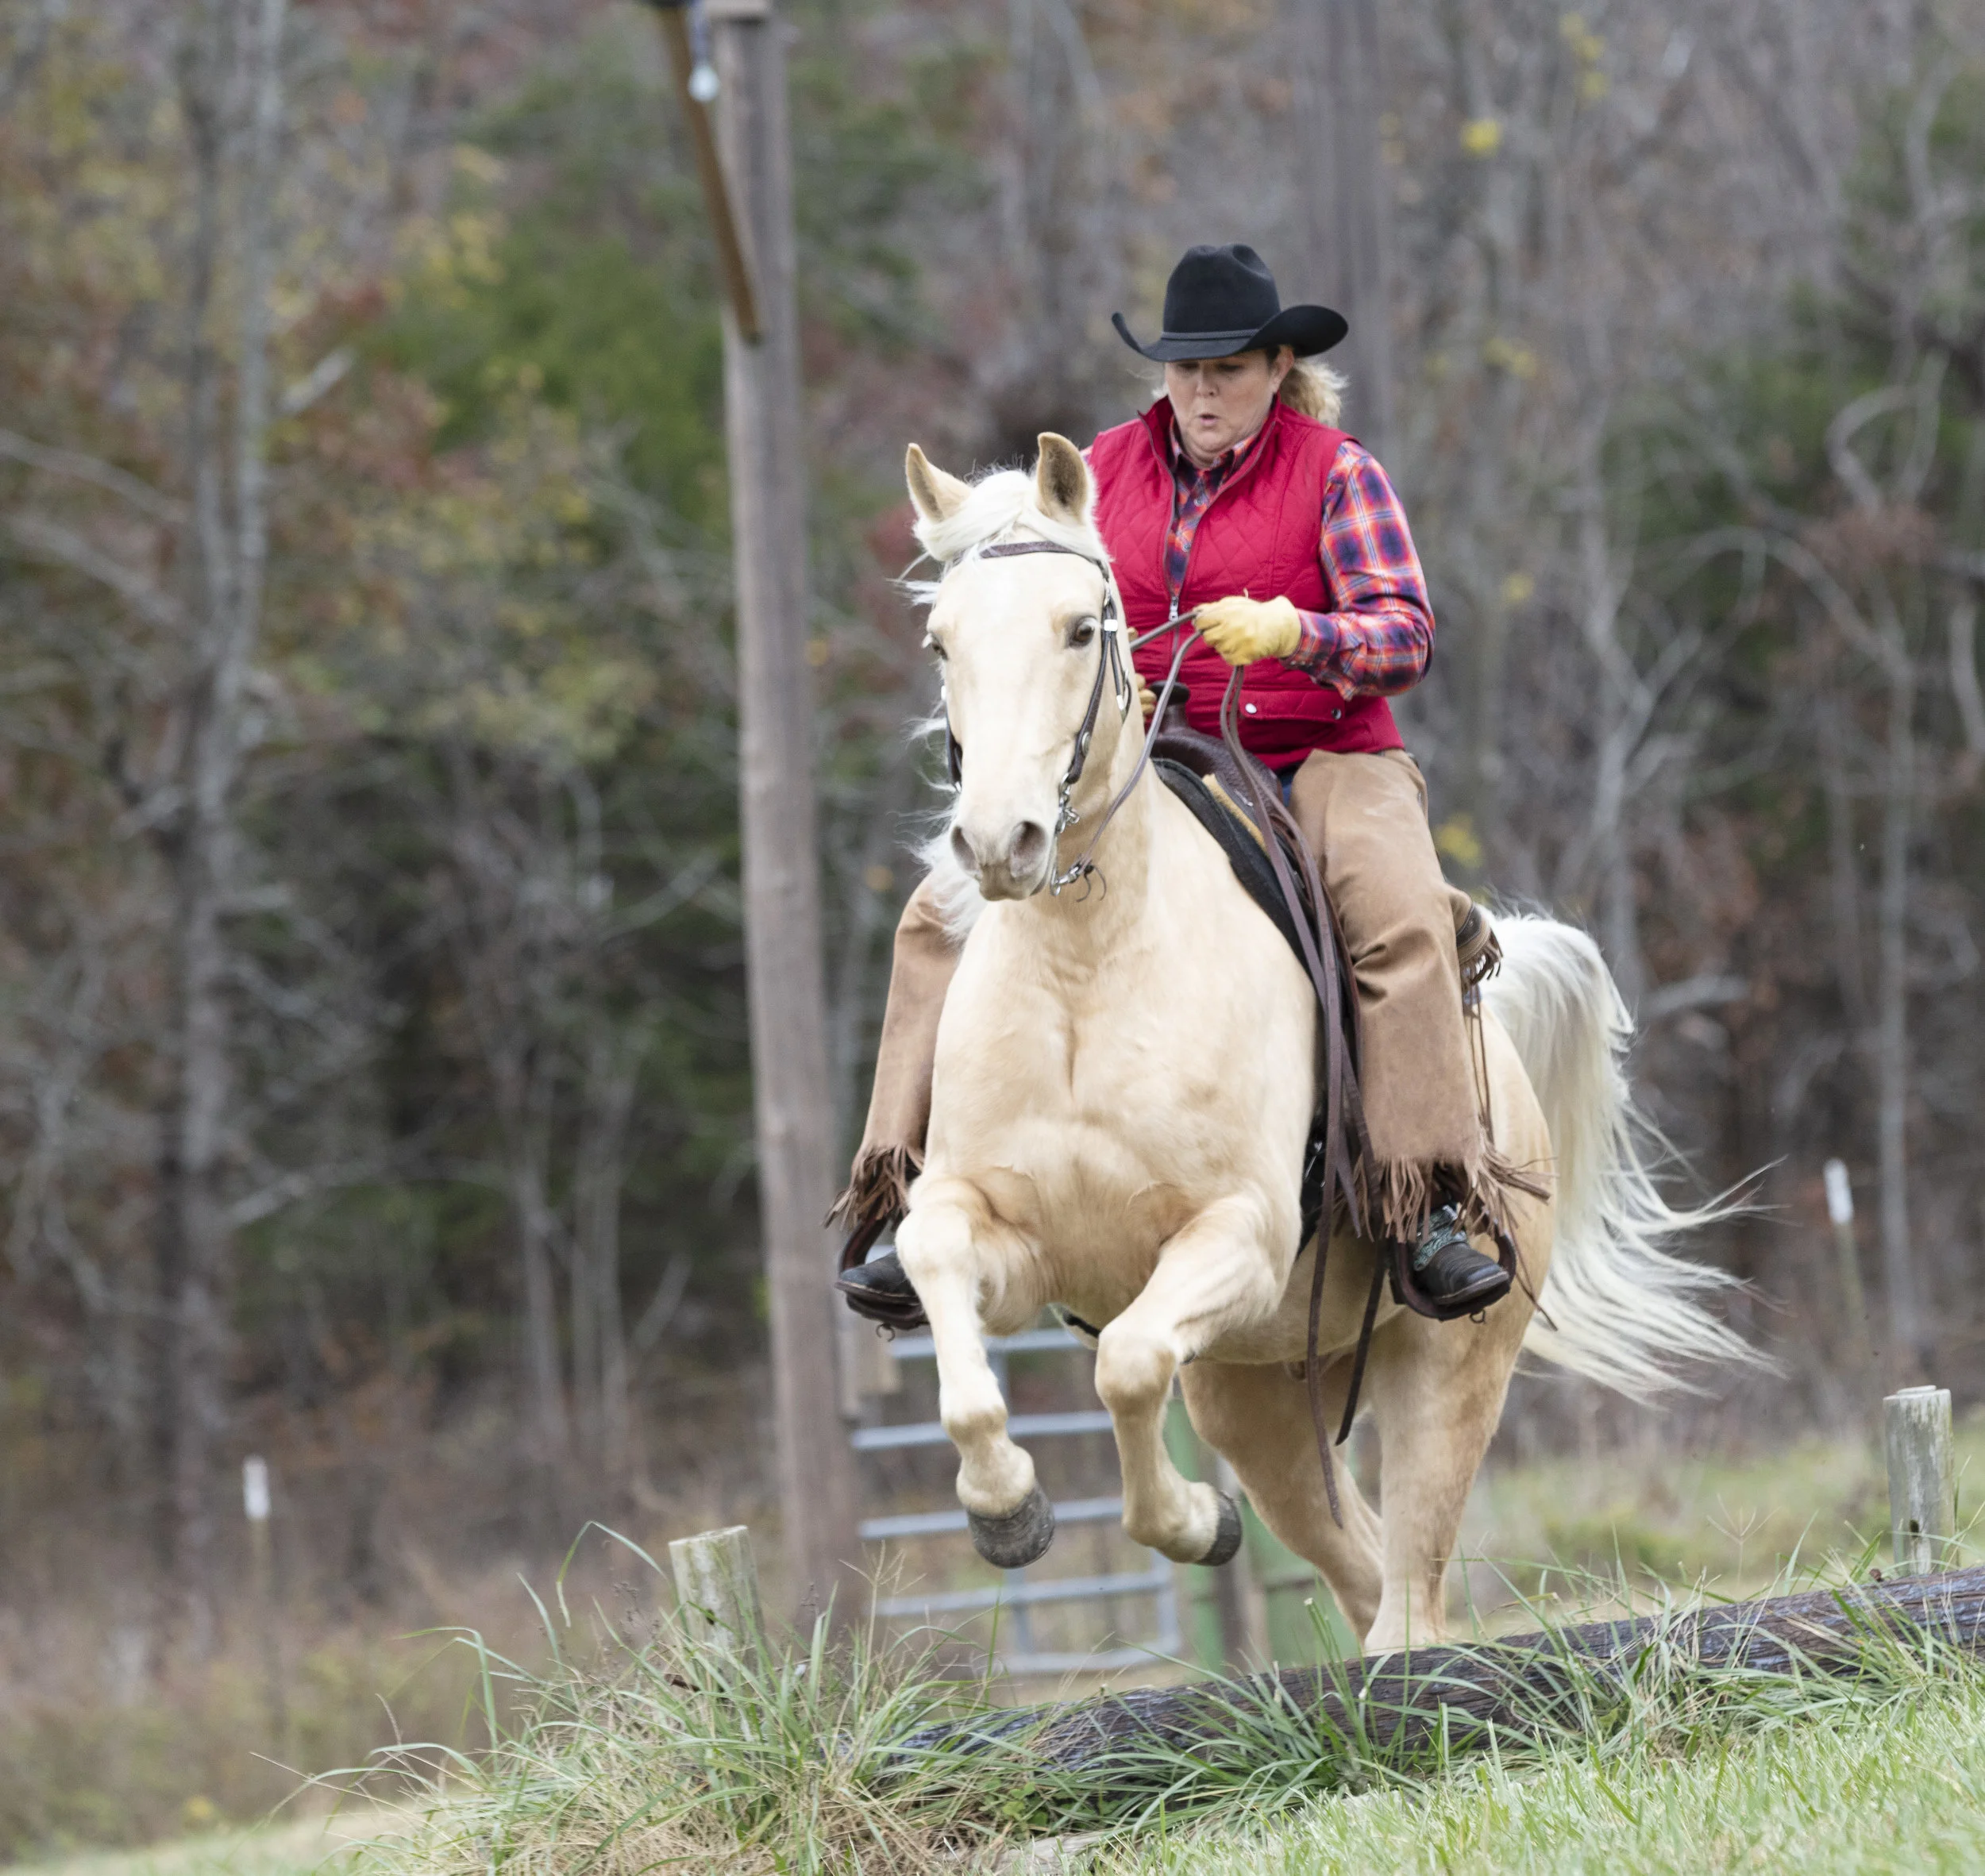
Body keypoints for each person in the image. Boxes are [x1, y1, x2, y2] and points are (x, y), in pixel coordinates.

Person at [838, 242, 1537, 1324]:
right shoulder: (1097, 471)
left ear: (1279, 367)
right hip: (1144, 758)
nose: (1205, 392)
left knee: (1397, 923)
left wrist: (1294, 630)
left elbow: (1405, 632)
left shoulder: (1337, 471)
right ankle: (903, 1196)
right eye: (1187, 370)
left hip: (1322, 752)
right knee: (939, 911)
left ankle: (1429, 1200)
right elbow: (1022, 584)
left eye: (1232, 369)